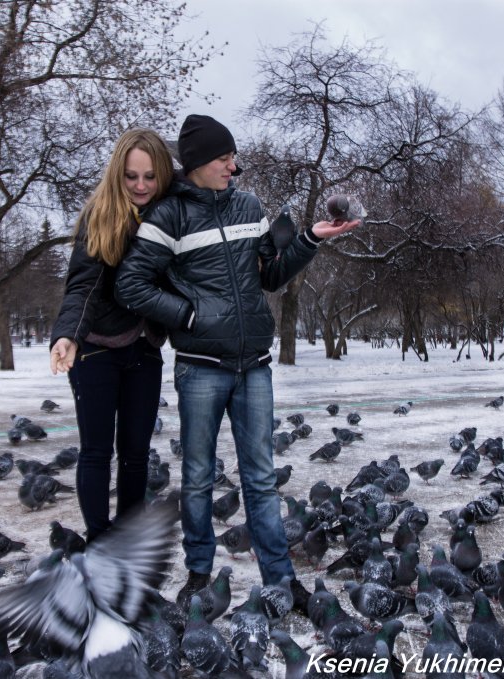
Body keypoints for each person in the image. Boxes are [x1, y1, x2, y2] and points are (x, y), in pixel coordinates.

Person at [114, 114, 360, 610]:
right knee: (200, 477)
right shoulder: (169, 217)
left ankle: (280, 577)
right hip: (200, 367)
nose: (234, 165)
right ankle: (200, 574)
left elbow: (270, 277)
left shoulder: (250, 206)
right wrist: (188, 312)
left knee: (262, 477)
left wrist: (310, 238)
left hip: (254, 366)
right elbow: (131, 284)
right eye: (226, 158)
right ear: (201, 162)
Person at [49, 128, 173, 542]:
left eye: (150, 176)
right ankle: (99, 541)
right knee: (98, 452)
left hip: (145, 348)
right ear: (117, 174)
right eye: (131, 176)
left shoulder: (171, 215)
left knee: (137, 454)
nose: (140, 185)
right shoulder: (98, 216)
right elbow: (82, 287)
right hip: (96, 350)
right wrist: (68, 335)